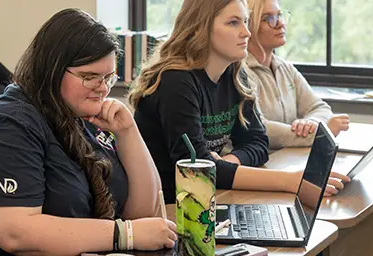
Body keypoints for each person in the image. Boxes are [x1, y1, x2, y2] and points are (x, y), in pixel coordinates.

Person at [0, 8, 176, 255]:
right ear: (51, 70)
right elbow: (16, 234)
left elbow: (144, 215)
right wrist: (126, 235)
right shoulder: (4, 126)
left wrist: (128, 133)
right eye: (89, 77)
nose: (102, 89)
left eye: (108, 78)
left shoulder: (81, 114)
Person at [127, 0, 351, 204]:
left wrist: (227, 163)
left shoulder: (234, 73)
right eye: (234, 23)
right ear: (200, 28)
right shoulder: (175, 82)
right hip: (169, 208)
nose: (246, 32)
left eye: (245, 22)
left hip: (209, 197)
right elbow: (197, 170)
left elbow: (258, 143)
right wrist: (290, 181)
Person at [245, 0, 349, 149]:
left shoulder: (285, 68)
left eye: (279, 15)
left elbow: (320, 108)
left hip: (288, 160)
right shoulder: (240, 72)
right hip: (260, 166)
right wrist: (319, 134)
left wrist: (311, 123)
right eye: (269, 18)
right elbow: (260, 128)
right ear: (249, 27)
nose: (281, 24)